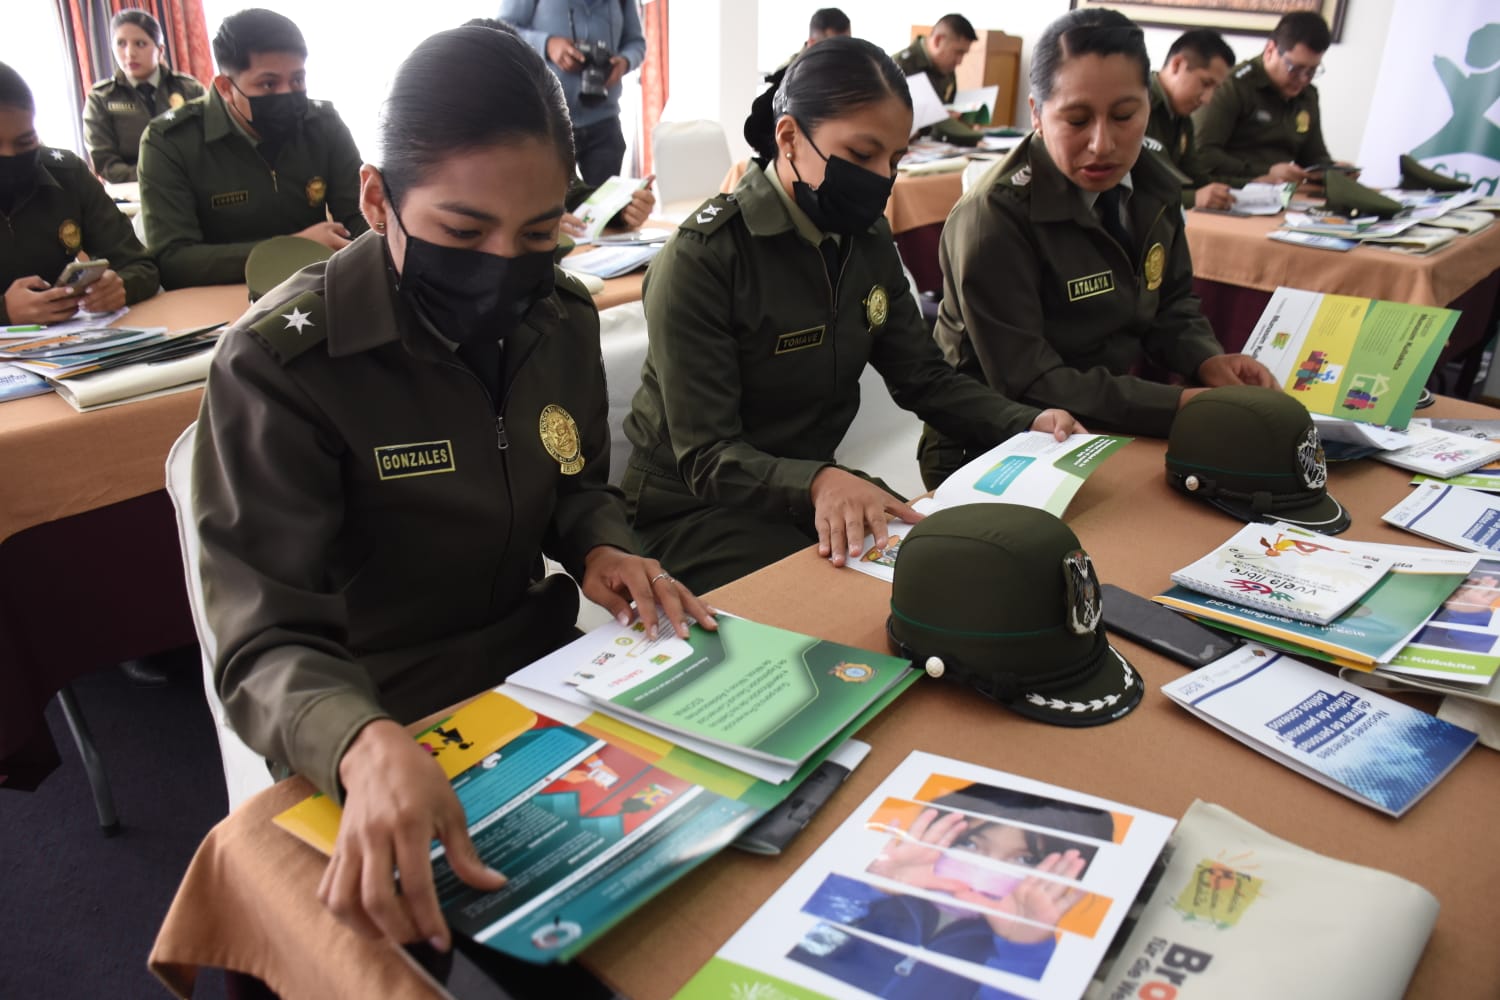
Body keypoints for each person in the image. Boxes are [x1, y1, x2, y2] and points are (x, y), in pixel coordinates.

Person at [192, 23, 712, 952]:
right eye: (462, 231)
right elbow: (264, 639)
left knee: (701, 889)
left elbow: (571, 480)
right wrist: (361, 738)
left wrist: (600, 539)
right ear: (375, 197)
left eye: (540, 232)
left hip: (541, 676)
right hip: (376, 714)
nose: (501, 266)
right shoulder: (284, 364)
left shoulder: (554, 316)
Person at [622, 36, 1082, 595]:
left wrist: (1025, 422)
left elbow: (923, 377)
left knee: (949, 570)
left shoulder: (863, 239)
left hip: (807, 489)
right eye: (862, 156)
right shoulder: (707, 258)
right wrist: (818, 482)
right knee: (862, 596)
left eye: (894, 159)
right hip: (693, 511)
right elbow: (707, 456)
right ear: (788, 136)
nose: (881, 178)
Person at [923, 9, 1275, 487]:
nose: (1102, 143)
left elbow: (1170, 301)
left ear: (1148, 107)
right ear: (1037, 114)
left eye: (1125, 115)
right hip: (995, 444)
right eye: (1077, 118)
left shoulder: (1155, 182)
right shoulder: (995, 217)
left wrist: (1206, 360)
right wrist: (1176, 405)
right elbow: (1029, 379)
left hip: (1105, 423)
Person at [792, 786, 1114, 997]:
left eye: (1026, 860)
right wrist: (864, 887)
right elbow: (794, 940)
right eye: (969, 844)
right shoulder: (877, 897)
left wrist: (1024, 950)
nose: (984, 871)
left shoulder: (1031, 951)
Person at [138, 8, 366, 289]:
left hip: (314, 290)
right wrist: (290, 249)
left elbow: (359, 215)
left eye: (297, 80)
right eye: (268, 84)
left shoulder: (322, 124)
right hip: (221, 297)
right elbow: (174, 260)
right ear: (225, 87)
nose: (287, 93)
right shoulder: (170, 141)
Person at [0, 63, 157, 325]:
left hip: (71, 345)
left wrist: (119, 287)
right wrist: (5, 311)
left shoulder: (67, 174)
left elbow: (142, 266)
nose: (10, 156)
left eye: (25, 142)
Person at [501, 0, 647, 186]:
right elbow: (502, 30)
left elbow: (636, 43)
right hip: (547, 123)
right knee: (549, 208)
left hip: (604, 123)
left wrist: (625, 61)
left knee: (605, 209)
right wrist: (547, 45)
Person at [1193, 12, 1342, 188]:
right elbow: (1203, 154)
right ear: (1270, 51)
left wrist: (1332, 172)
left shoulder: (1307, 96)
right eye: (1295, 68)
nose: (1303, 79)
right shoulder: (1232, 86)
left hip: (1279, 196)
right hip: (1229, 190)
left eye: (1312, 71)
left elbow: (1313, 157)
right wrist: (1265, 171)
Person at [82, 9, 206, 182]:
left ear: (160, 50)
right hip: (133, 192)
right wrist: (156, 177)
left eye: (140, 44)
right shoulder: (101, 98)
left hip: (191, 184)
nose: (129, 53)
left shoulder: (190, 89)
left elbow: (210, 145)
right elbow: (105, 163)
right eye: (121, 44)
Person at [1147, 29, 1234, 210]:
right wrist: (1192, 199)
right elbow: (1133, 190)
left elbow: (1197, 178)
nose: (1207, 99)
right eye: (1205, 83)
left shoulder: (1181, 116)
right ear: (1177, 64)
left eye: (1215, 88)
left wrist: (1247, 185)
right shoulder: (1138, 106)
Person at [745, 7, 852, 154]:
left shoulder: (848, 75)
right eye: (834, 47)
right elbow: (757, 130)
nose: (842, 55)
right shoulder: (787, 78)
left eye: (847, 46)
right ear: (812, 43)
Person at [891, 13, 983, 145]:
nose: (960, 61)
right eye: (958, 52)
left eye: (964, 54)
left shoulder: (947, 69)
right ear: (938, 41)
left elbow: (948, 107)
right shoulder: (899, 65)